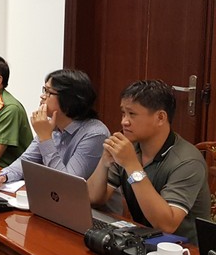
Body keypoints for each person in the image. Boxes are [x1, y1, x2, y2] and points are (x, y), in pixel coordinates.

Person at [87, 80, 209, 242]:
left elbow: (166, 224)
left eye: (132, 114)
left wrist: (132, 166)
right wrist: (104, 161)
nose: (124, 121)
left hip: (183, 252)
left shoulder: (188, 161)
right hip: (141, 240)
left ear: (160, 117)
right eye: (123, 113)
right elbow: (93, 198)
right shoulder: (130, 147)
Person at [0, 69, 109, 186]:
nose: (42, 96)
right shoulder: (51, 124)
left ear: (69, 99)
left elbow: (67, 183)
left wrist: (45, 138)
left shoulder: (95, 134)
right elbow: (26, 161)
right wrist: (4, 175)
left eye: (48, 92)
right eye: (44, 90)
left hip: (90, 205)